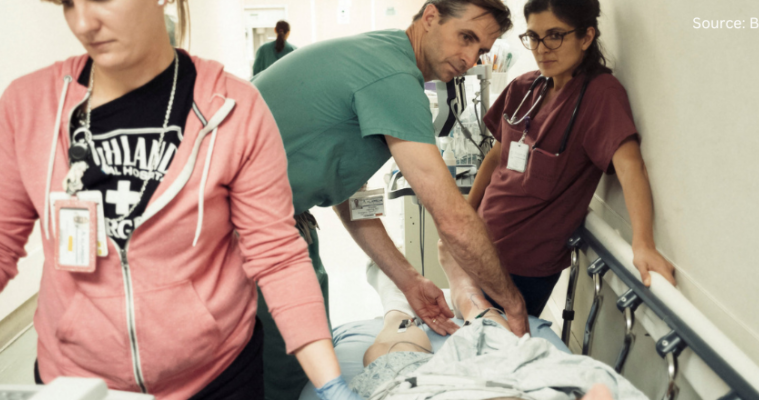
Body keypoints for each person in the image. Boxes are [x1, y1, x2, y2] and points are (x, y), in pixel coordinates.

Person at [0, 1, 357, 399]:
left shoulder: (232, 110)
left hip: (217, 377)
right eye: (68, 2)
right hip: (76, 381)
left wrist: (328, 379)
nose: (83, 22)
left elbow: (275, 255)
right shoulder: (28, 109)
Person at [251, 1, 529, 398]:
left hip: (276, 221)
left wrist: (409, 280)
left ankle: (395, 299)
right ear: (430, 17)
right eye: (466, 37)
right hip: (245, 227)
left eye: (482, 50)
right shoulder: (393, 76)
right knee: (284, 370)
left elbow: (346, 194)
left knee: (298, 353)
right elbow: (450, 216)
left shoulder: (380, 55)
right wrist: (512, 304)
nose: (470, 58)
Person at [442, 0, 676, 318]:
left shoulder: (600, 95)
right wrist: (464, 217)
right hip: (479, 243)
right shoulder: (524, 87)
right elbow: (497, 156)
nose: (542, 48)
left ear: (586, 37)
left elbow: (630, 165)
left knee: (495, 345)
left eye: (555, 35)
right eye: (534, 37)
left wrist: (643, 243)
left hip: (524, 267)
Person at [349, 241, 647, 400]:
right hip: (519, 385)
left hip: (431, 391)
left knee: (393, 351)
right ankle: (467, 295)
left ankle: (398, 307)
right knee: (492, 334)